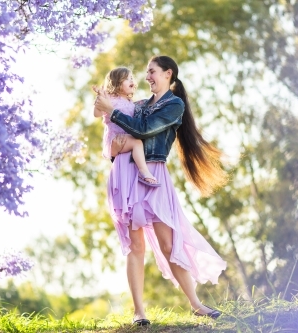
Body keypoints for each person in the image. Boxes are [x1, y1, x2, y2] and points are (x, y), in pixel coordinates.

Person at [94, 55, 228, 326]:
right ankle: (139, 312)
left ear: (168, 74)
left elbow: (142, 130)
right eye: (145, 73)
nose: (146, 78)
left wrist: (113, 112)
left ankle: (196, 304)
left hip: (154, 173)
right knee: (135, 246)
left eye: (152, 72)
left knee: (168, 243)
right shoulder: (139, 104)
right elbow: (112, 132)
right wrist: (111, 143)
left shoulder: (173, 105)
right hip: (126, 172)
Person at [94, 67, 159, 186]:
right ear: (117, 83)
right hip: (115, 138)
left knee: (139, 142)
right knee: (137, 143)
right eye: (127, 79)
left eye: (132, 78)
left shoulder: (131, 103)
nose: (132, 81)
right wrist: (100, 98)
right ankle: (144, 172)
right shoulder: (110, 98)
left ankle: (139, 171)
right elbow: (96, 114)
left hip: (126, 138)